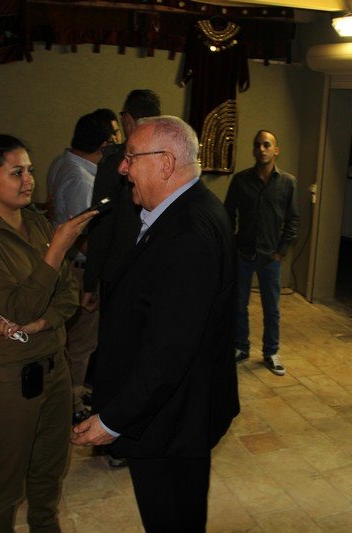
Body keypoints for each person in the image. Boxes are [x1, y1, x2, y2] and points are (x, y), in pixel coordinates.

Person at [71, 116, 239, 531]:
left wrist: (113, 420)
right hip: (176, 412)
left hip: (170, 421)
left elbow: (169, 352)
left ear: (165, 163)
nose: (122, 168)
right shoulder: (188, 209)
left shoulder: (187, 233)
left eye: (130, 157)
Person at [0, 134, 97, 532]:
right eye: (16, 172)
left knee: (49, 475)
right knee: (5, 485)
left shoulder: (37, 223)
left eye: (30, 170)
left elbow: (68, 293)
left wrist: (44, 323)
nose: (29, 180)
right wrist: (56, 251)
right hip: (9, 379)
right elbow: (17, 309)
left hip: (55, 368)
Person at [47, 109, 118, 423]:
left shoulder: (63, 162)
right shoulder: (81, 178)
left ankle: (70, 391)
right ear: (104, 144)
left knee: (74, 337)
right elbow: (83, 238)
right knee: (82, 341)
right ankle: (72, 401)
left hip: (67, 264)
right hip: (79, 267)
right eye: (114, 137)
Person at [224, 129, 300, 376]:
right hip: (243, 254)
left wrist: (281, 250)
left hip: (270, 257)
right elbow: (228, 215)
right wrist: (232, 245)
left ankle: (271, 352)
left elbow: (293, 220)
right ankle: (241, 347)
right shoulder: (241, 180)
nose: (262, 149)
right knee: (238, 303)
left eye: (267, 145)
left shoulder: (288, 182)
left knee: (272, 308)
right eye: (258, 145)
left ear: (276, 150)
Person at [81, 89, 161, 313]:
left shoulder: (115, 162)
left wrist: (90, 282)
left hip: (120, 272)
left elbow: (102, 226)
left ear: (128, 119)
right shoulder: (168, 160)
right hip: (156, 271)